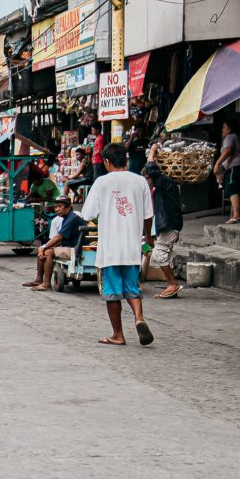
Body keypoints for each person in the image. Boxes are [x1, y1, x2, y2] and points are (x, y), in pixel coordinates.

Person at [81, 143, 155, 347]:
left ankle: (118, 334)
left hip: (110, 249)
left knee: (112, 292)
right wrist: (148, 238)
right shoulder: (140, 181)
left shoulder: (102, 182)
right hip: (132, 246)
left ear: (106, 161)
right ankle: (139, 318)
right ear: (126, 160)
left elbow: (88, 214)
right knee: (132, 287)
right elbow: (148, 215)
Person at [143, 146, 183, 298]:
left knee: (158, 256)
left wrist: (152, 151)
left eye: (147, 178)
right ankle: (171, 285)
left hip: (169, 226)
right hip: (166, 226)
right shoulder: (161, 188)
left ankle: (172, 284)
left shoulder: (167, 183)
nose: (146, 182)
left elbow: (151, 168)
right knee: (163, 255)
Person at [24, 196, 85, 291]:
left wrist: (44, 247)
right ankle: (39, 280)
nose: (56, 209)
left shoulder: (72, 218)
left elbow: (59, 237)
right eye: (55, 207)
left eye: (59, 206)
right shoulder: (66, 218)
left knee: (48, 252)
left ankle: (46, 284)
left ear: (68, 207)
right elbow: (60, 239)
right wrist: (43, 247)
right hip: (70, 247)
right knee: (44, 249)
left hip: (75, 250)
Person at [214, 120, 240, 223]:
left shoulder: (230, 137)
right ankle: (235, 215)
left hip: (234, 167)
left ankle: (237, 215)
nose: (222, 129)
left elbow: (227, 151)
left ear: (229, 128)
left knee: (232, 190)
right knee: (234, 190)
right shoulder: (238, 137)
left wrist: (217, 163)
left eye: (224, 127)